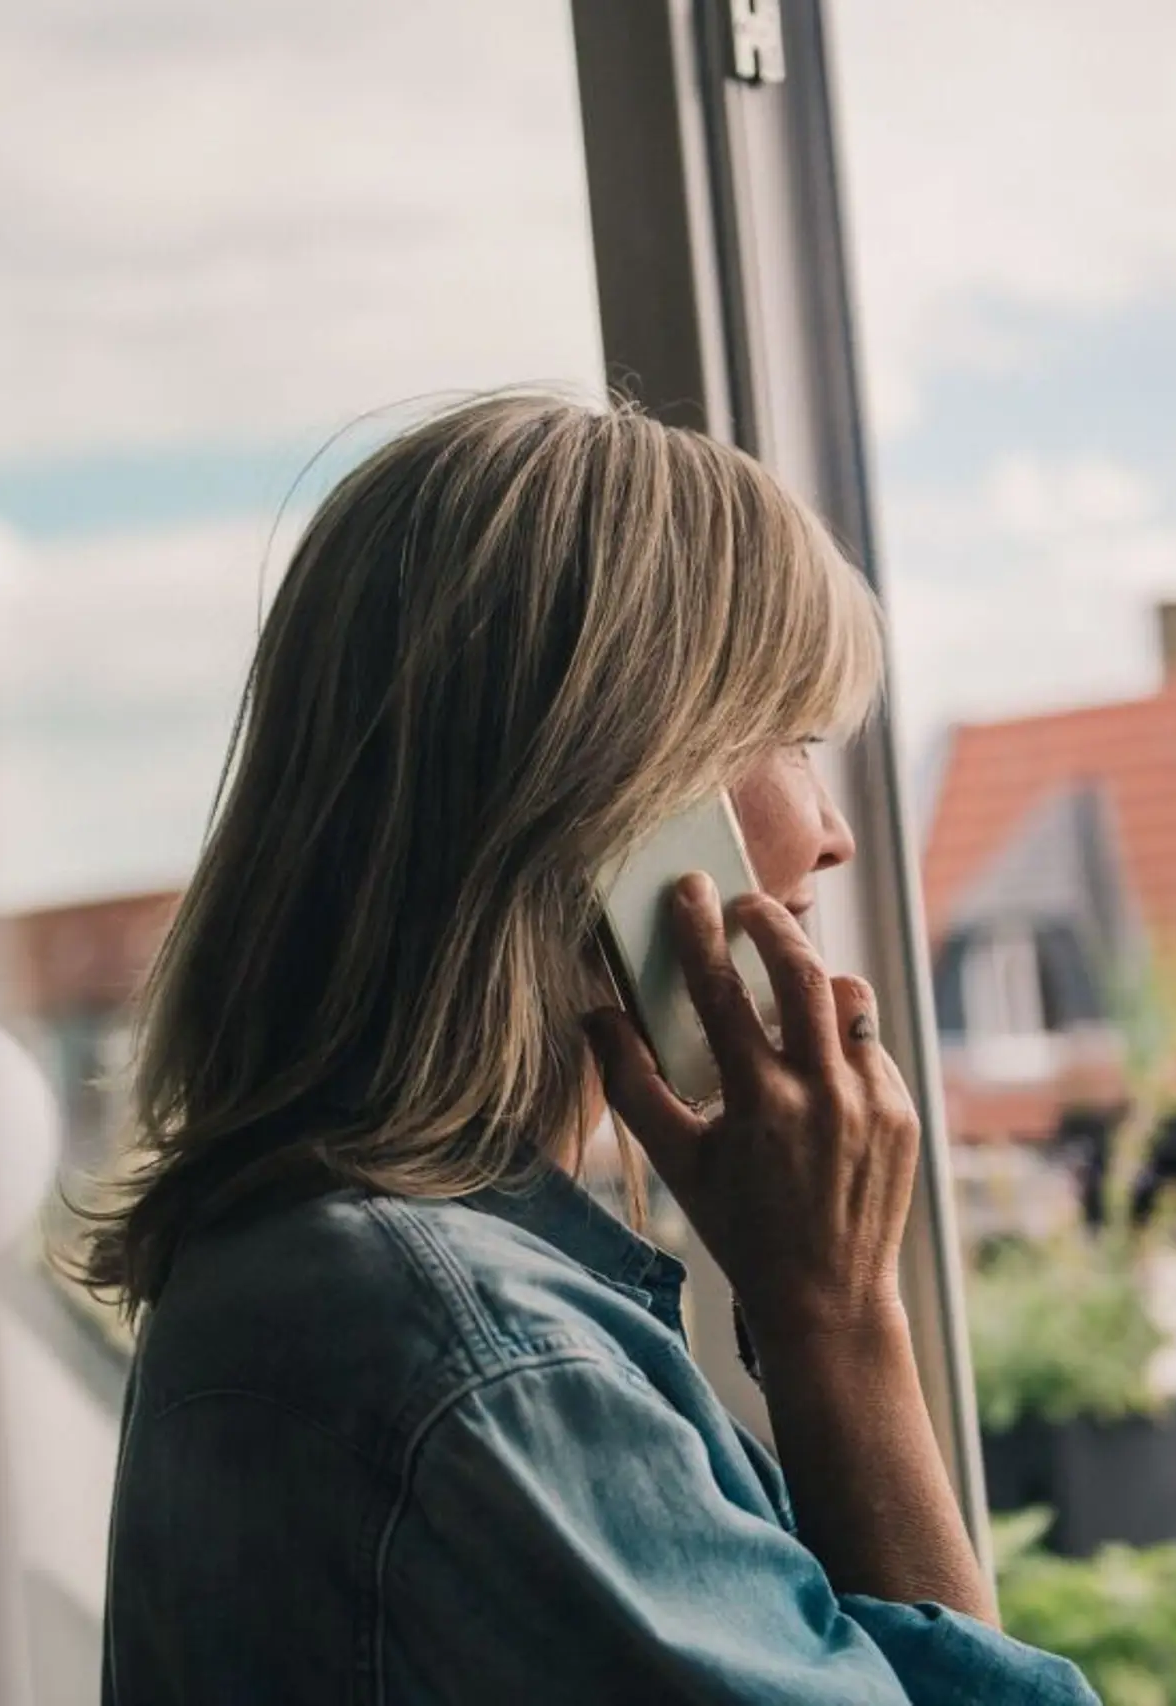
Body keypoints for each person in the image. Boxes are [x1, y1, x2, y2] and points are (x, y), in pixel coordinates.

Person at [74, 395, 1096, 1704]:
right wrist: (838, 1315)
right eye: (792, 736)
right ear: (623, 785)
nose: (834, 832)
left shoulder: (317, 1267)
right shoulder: (476, 1350)